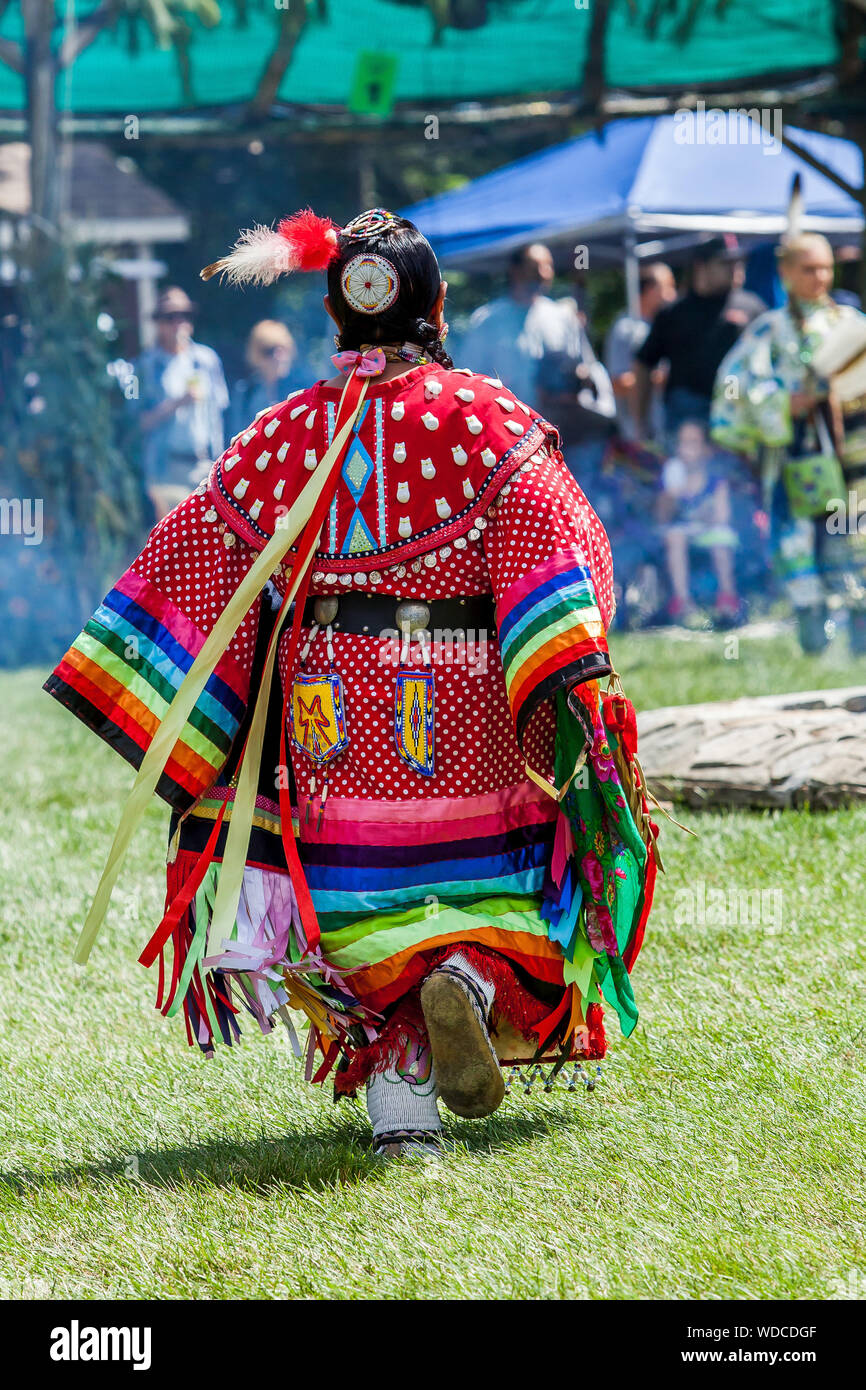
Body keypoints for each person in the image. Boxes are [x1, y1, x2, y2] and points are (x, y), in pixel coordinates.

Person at [45, 208, 658, 1162]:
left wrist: (212, 710)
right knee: (484, 878)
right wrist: (565, 684)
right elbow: (563, 545)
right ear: (436, 305)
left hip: (329, 714)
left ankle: (403, 1116)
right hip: (458, 705)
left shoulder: (280, 435)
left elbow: (197, 554)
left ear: (337, 312)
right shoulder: (489, 423)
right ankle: (469, 979)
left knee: (357, 898)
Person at [711, 233, 866, 654]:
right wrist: (785, 402)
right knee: (797, 544)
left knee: (854, 541)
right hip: (796, 462)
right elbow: (733, 386)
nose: (820, 277)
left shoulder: (853, 325)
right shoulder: (769, 331)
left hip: (854, 460)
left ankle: (858, 639)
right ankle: (814, 636)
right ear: (785, 272)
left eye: (826, 267)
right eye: (808, 268)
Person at [635, 236, 764, 442]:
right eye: (726, 262)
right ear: (700, 266)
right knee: (683, 474)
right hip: (686, 417)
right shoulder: (674, 312)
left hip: (738, 412)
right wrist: (640, 424)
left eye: (738, 263)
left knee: (733, 474)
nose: (735, 269)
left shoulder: (752, 308)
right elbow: (643, 364)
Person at [133, 286, 229, 519]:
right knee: (171, 543)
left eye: (184, 316)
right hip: (165, 467)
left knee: (204, 541)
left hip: (204, 464)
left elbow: (221, 411)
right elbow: (136, 422)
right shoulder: (141, 368)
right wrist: (178, 402)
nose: (178, 323)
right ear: (158, 323)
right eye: (170, 317)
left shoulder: (207, 360)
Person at [657, 419, 740, 626]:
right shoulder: (673, 473)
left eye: (694, 442)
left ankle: (727, 599)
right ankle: (683, 602)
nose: (689, 449)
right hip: (682, 531)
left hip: (710, 530)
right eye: (684, 442)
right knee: (674, 536)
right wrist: (670, 496)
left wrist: (706, 514)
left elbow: (723, 517)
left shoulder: (715, 479)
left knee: (721, 541)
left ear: (705, 448)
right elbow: (661, 518)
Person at [604, 263, 676, 440]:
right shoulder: (626, 328)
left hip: (663, 433)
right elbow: (618, 384)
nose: (673, 295)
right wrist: (657, 380)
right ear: (650, 289)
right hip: (636, 436)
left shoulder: (663, 325)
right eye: (668, 287)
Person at [229, 319, 306, 439]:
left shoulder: (302, 390)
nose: (278, 357)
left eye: (282, 350)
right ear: (256, 354)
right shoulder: (245, 391)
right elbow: (236, 436)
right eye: (270, 350)